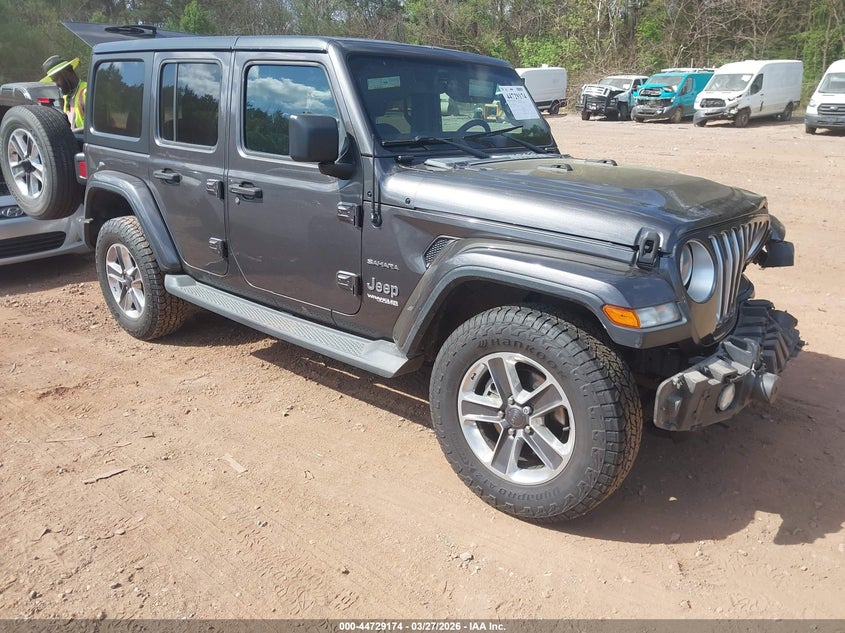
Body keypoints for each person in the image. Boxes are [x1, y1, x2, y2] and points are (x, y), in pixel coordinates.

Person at [41, 55, 87, 131]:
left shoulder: (86, 92)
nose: (56, 84)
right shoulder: (66, 97)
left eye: (56, 79)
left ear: (65, 73)